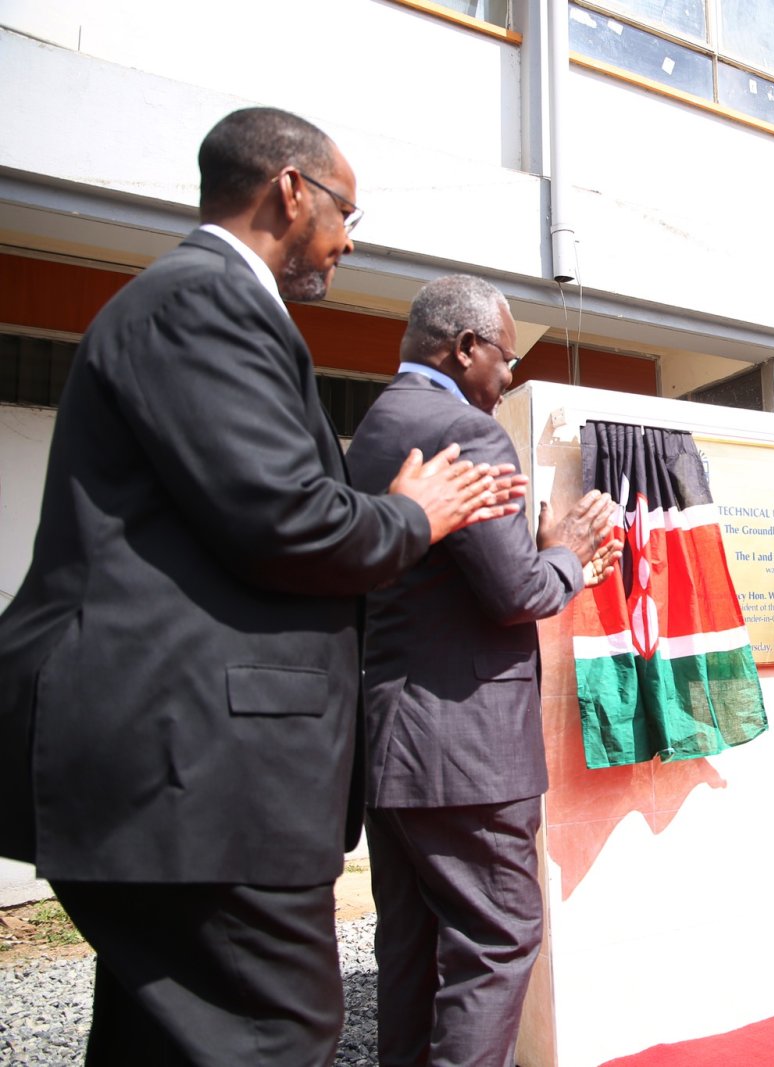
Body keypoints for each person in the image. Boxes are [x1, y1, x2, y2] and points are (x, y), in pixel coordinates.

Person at [0, 108, 527, 1063]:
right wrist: (419, 512)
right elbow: (287, 522)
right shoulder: (206, 300)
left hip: (181, 772)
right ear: (291, 190)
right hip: (194, 771)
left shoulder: (201, 308)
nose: (349, 240)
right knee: (271, 1035)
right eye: (345, 212)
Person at [345, 276, 619, 1066]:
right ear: (464, 348)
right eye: (505, 357)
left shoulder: (377, 426)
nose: (509, 377)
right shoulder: (466, 431)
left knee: (411, 947)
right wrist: (567, 550)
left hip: (394, 745)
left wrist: (534, 549)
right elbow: (516, 592)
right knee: (498, 939)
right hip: (465, 753)